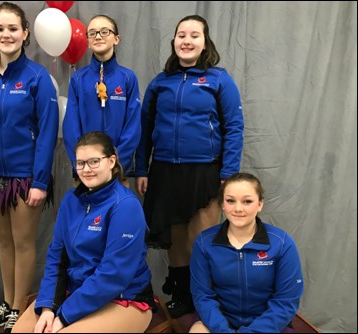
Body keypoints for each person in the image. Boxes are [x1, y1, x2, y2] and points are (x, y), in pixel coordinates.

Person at [135, 14, 244, 318]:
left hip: (205, 171)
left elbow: (234, 128)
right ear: (174, 41)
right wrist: (141, 169)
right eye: (181, 35)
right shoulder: (160, 82)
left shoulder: (219, 80)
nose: (186, 40)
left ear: (205, 42)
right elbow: (145, 130)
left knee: (202, 240)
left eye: (194, 35)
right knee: (176, 238)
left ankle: (206, 300)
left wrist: (228, 174)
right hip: (165, 171)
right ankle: (182, 295)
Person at [0, 2, 59, 332]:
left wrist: (40, 181)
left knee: (23, 243)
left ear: (25, 33)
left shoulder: (37, 78)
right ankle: (6, 304)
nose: (6, 35)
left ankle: (19, 309)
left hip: (25, 177)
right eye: (0, 29)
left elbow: (48, 131)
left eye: (12, 29)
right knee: (3, 244)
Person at [12, 131, 156, 333]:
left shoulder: (125, 206)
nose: (86, 169)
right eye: (80, 163)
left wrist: (63, 317)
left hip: (123, 298)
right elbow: (57, 257)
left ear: (112, 161)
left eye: (94, 161)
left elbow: (113, 275)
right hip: (75, 293)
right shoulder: (71, 200)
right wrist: (48, 307)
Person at [189, 172, 304, 333]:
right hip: (216, 323)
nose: (238, 209)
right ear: (223, 204)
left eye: (247, 201)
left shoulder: (283, 244)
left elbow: (286, 301)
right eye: (230, 201)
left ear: (260, 204)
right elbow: (202, 296)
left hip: (267, 325)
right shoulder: (204, 242)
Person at [62, 15, 141, 187]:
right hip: (86, 173)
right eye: (92, 33)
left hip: (117, 171)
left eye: (104, 32)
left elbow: (133, 126)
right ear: (88, 41)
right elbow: (71, 127)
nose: (98, 36)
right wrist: (83, 164)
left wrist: (116, 162)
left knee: (117, 213)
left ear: (116, 39)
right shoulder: (78, 79)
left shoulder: (128, 78)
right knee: (87, 213)